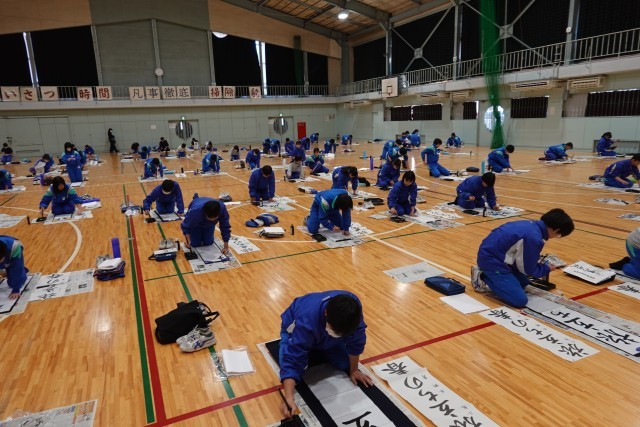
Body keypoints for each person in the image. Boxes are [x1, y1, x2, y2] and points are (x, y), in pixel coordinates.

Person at [278, 290, 371, 418]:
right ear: (326, 313)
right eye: (335, 330)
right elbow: (293, 358)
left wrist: (354, 370)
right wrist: (288, 397)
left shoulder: (353, 309)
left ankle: (318, 346)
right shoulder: (307, 320)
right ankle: (294, 343)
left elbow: (357, 340)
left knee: (345, 364)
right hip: (293, 329)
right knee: (289, 365)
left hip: (325, 334)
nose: (338, 334)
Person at [472, 209, 575, 307]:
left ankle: (492, 275)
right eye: (559, 235)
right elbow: (527, 269)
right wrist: (546, 268)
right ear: (557, 230)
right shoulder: (534, 238)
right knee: (519, 300)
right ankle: (482, 276)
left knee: (523, 282)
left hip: (497, 256)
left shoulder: (529, 224)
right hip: (492, 262)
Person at [0, 236, 29, 300]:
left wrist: (16, 289)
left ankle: (23, 272)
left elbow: (17, 269)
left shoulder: (14, 248)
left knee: (13, 281)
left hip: (13, 249)